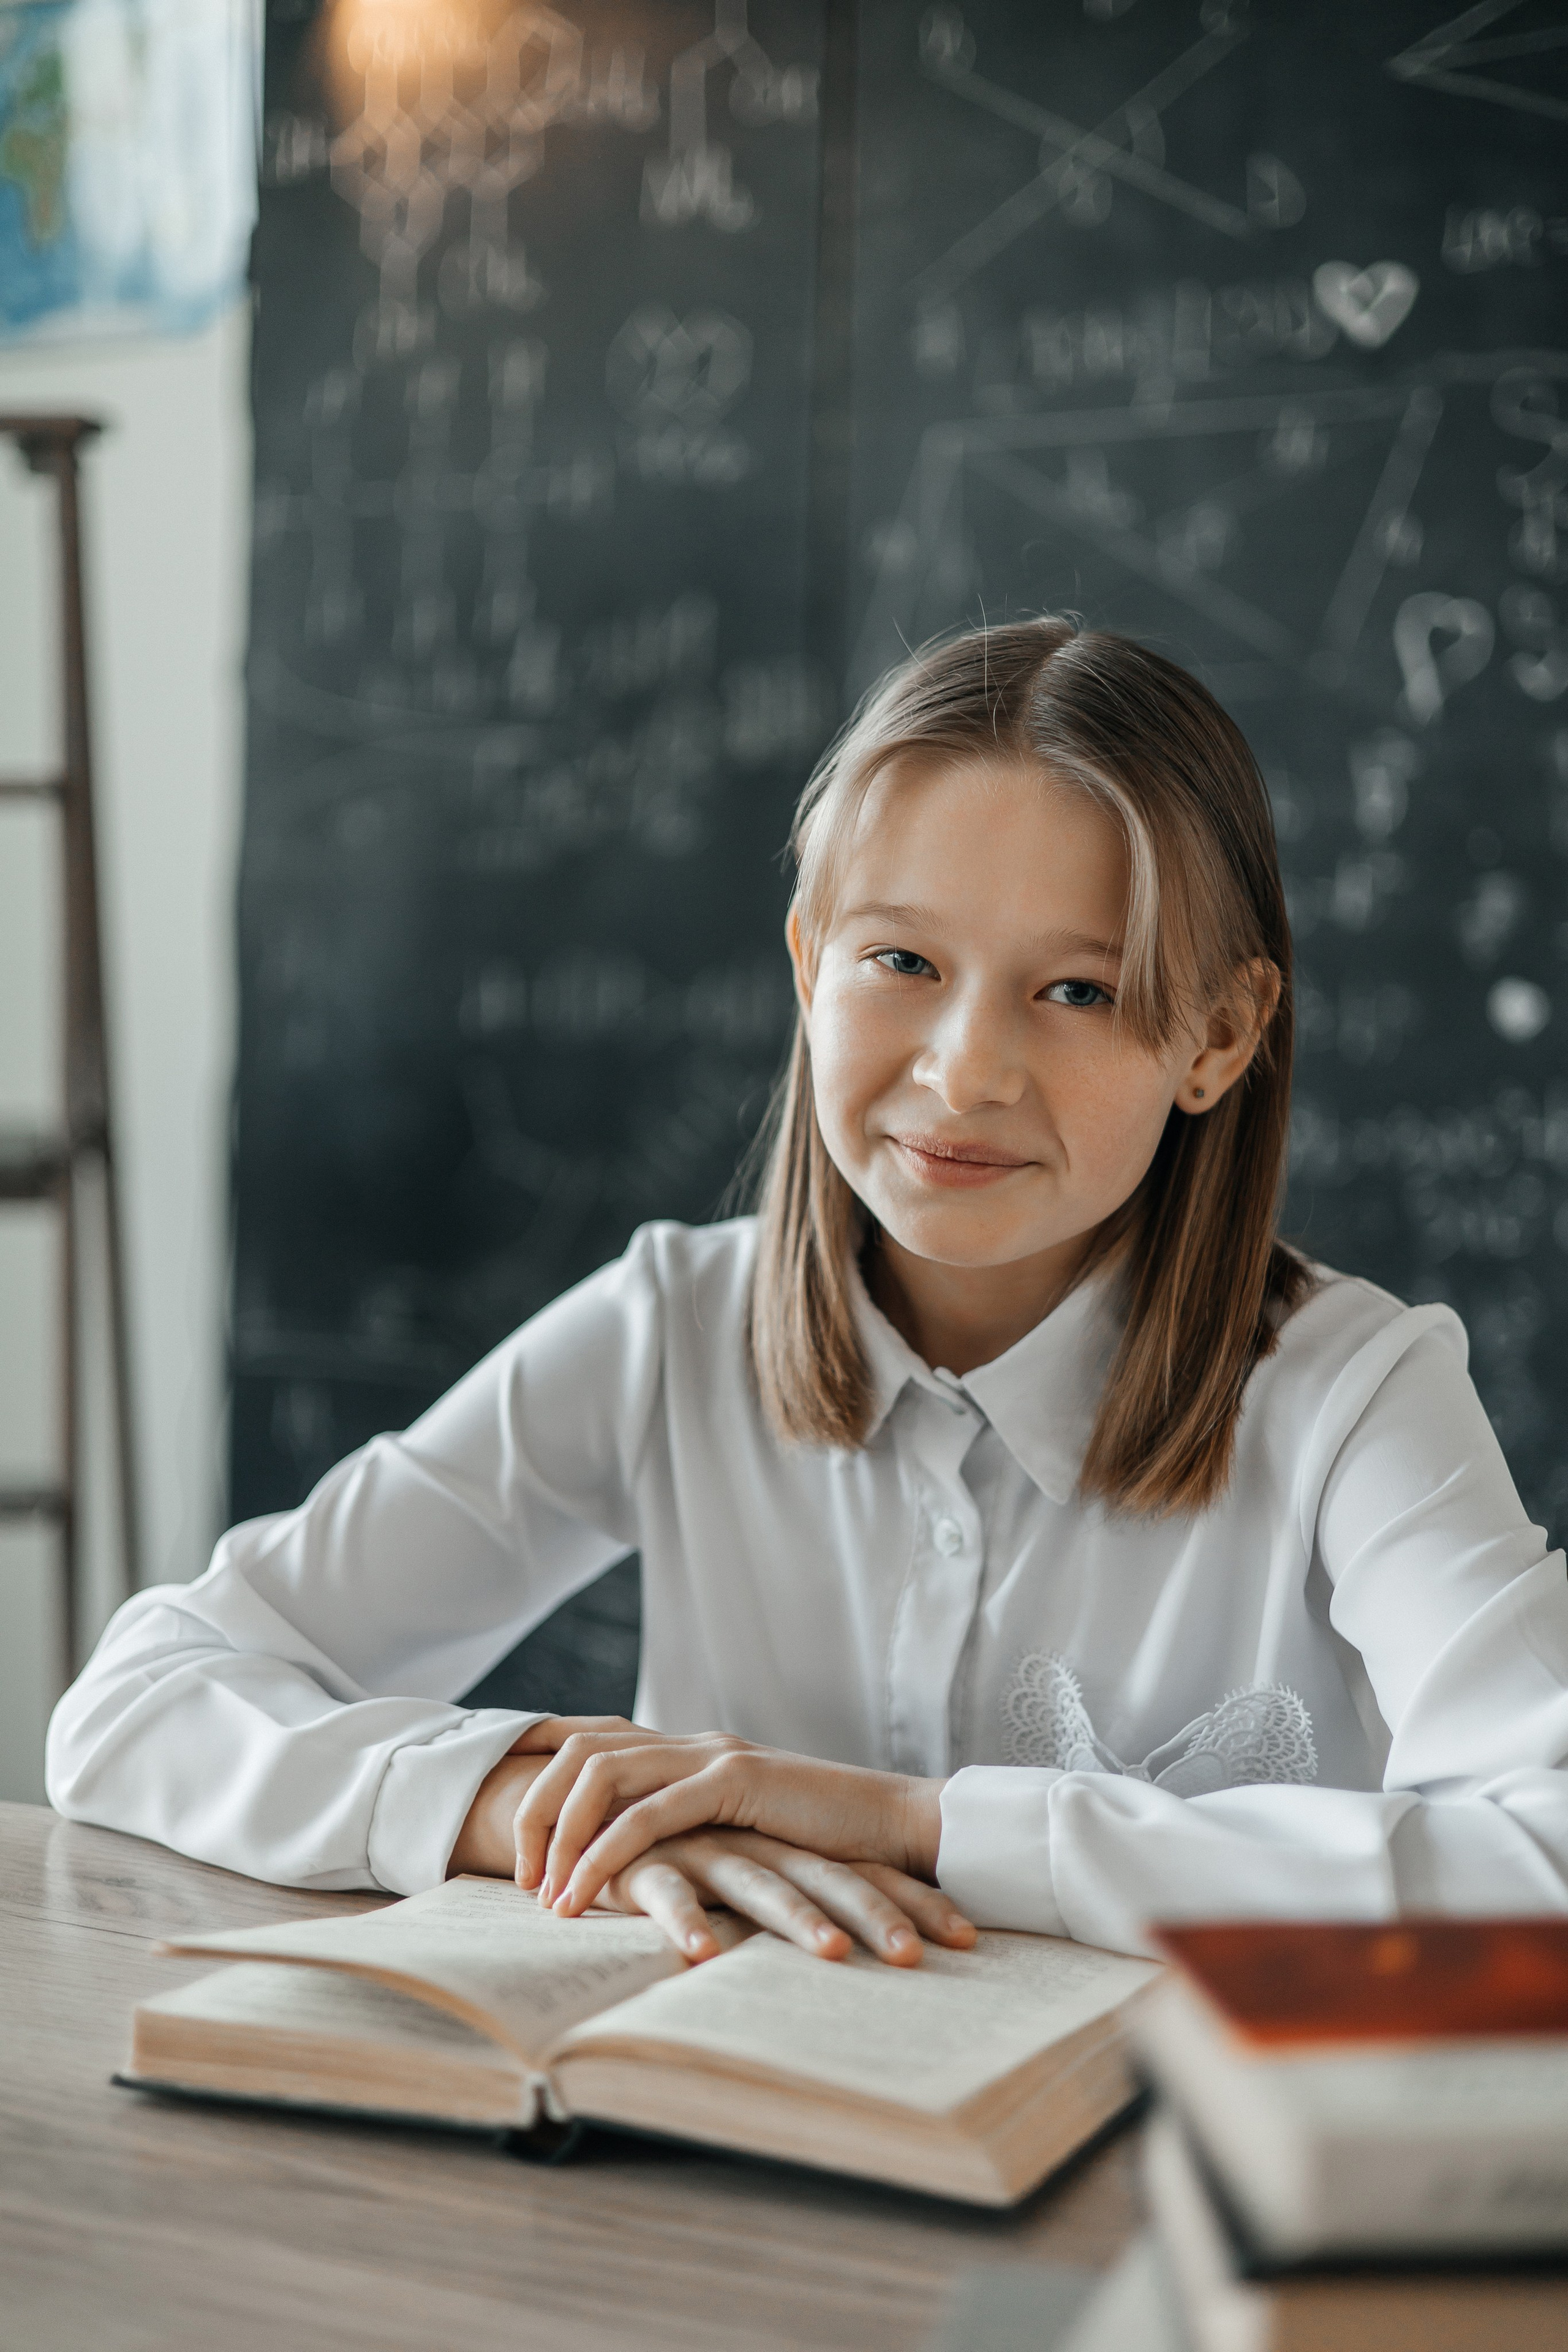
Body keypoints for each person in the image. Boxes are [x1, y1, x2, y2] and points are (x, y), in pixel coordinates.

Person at [47, 619, 1568, 1970]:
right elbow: (134, 1703)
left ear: (1217, 1039)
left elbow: (1543, 1858)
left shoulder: (1352, 1395)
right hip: (724, 2186)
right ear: (805, 964)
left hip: (1173, 2213)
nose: (962, 1069)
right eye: (898, 958)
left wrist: (913, 1826)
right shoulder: (670, 1332)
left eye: (1076, 990)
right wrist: (529, 1807)